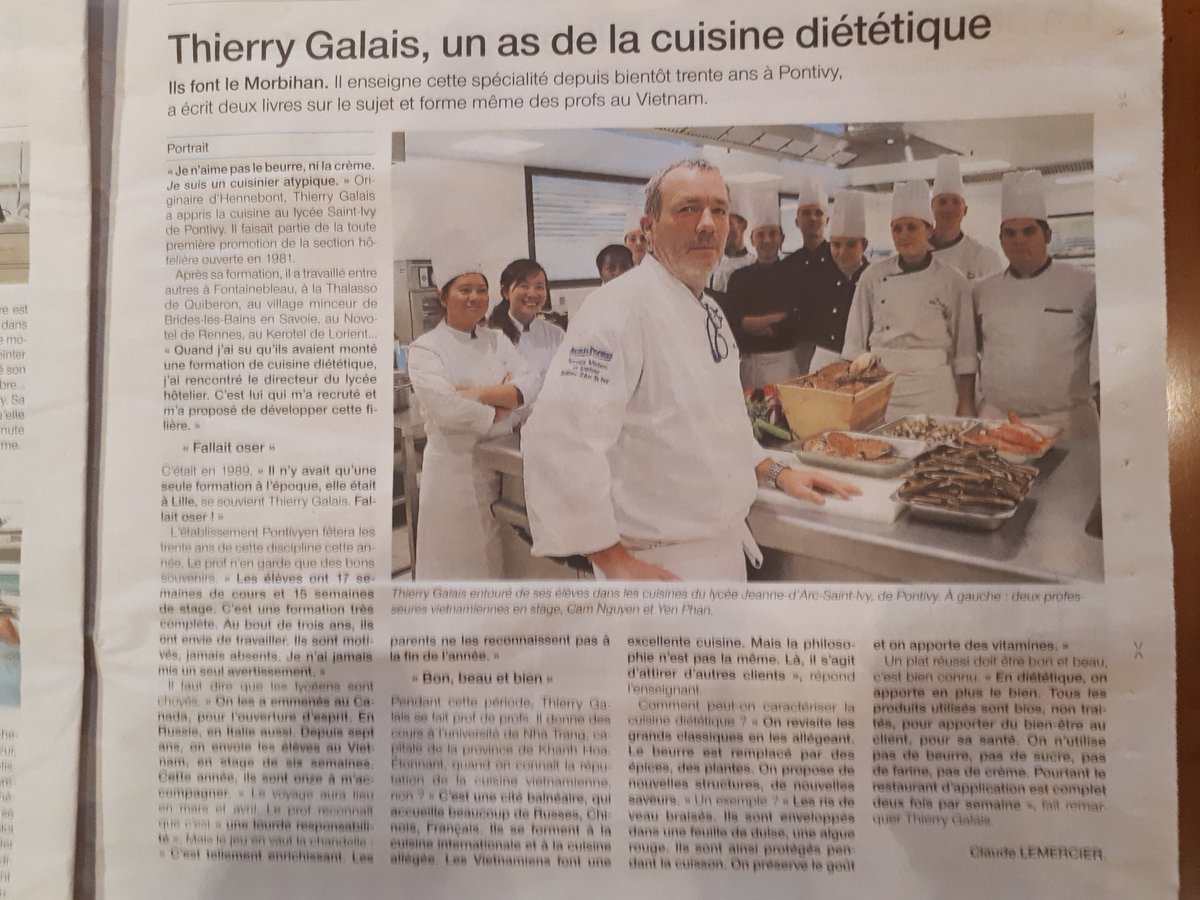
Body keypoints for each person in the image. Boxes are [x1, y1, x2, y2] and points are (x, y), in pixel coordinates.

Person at [523, 159, 859, 582]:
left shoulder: (711, 311)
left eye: (718, 210)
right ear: (649, 226)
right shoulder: (616, 310)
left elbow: (719, 423)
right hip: (660, 565)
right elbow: (559, 439)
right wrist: (610, 558)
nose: (707, 224)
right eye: (687, 209)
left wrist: (777, 471)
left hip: (723, 551)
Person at [407, 254, 541, 580]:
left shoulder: (496, 340)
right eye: (464, 290)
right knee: (454, 566)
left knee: (494, 562)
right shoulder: (426, 348)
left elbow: (531, 383)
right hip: (453, 476)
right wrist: (506, 406)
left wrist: (476, 394)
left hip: (494, 470)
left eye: (481, 290)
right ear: (443, 296)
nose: (475, 298)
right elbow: (447, 409)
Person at [974, 170, 1098, 436]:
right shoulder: (982, 291)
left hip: (1068, 422)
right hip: (1000, 422)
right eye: (1010, 233)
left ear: (1048, 234)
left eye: (1028, 231)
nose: (1018, 239)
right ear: (1000, 239)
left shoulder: (1085, 285)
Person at [842, 180, 976, 418]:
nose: (903, 235)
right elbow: (854, 342)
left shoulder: (952, 280)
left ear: (929, 230)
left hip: (933, 388)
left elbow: (965, 351)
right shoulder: (872, 275)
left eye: (912, 227)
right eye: (897, 228)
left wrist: (966, 403)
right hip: (880, 384)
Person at [725, 185, 801, 390]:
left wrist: (752, 323)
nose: (766, 240)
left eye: (772, 234)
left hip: (783, 365)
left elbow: (795, 322)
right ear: (752, 239)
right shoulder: (739, 278)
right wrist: (776, 318)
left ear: (782, 238)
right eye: (760, 235)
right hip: (748, 364)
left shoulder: (794, 274)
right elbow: (735, 323)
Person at [807, 190, 870, 373]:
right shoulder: (819, 275)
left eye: (851, 245)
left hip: (859, 364)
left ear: (864, 245)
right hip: (821, 361)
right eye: (836, 245)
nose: (842, 253)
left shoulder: (873, 279)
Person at [929, 154, 1003, 282]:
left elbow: (996, 298)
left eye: (956, 202)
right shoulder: (916, 255)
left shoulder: (983, 257)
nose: (949, 208)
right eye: (942, 202)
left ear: (965, 210)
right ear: (931, 208)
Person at [706, 187, 754, 294]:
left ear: (743, 225)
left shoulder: (754, 266)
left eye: (728, 224)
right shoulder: (708, 265)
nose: (721, 230)